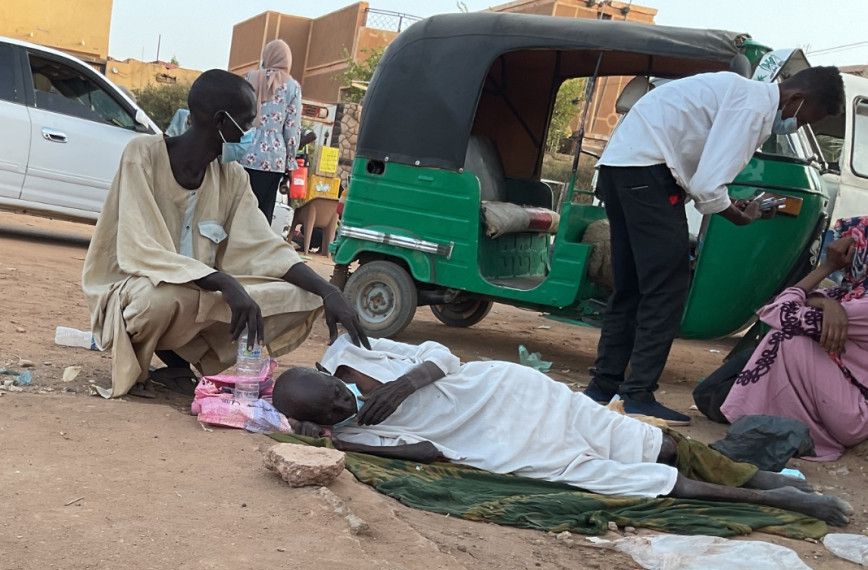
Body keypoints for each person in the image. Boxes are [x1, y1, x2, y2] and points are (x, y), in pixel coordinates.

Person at [272, 336, 852, 526]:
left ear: (327, 373)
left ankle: (761, 476)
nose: (343, 402)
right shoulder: (350, 436)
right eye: (332, 411)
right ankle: (774, 499)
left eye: (335, 392)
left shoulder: (351, 353)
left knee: (651, 442)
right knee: (620, 478)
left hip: (505, 391)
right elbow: (430, 452)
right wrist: (355, 433)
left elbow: (440, 352)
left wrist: (404, 385)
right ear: (318, 423)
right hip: (495, 444)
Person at [82, 69, 368, 399]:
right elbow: (141, 249)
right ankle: (141, 368)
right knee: (157, 300)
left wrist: (328, 291)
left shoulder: (232, 177)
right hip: (136, 287)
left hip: (200, 293)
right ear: (220, 121)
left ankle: (181, 363)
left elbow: (264, 246)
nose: (250, 134)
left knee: (303, 296)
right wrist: (224, 282)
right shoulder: (142, 154)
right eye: (245, 124)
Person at [586, 66, 845, 426]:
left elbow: (701, 179)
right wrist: (741, 217)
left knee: (629, 288)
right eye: (803, 120)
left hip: (621, 168)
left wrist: (728, 203)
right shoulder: (753, 109)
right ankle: (636, 396)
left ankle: (602, 387)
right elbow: (708, 186)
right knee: (667, 289)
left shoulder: (738, 93)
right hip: (648, 173)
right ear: (797, 99)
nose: (796, 126)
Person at [723, 218, 868, 461]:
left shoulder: (861, 306)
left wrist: (826, 267)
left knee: (788, 338)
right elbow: (797, 301)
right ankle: (762, 417)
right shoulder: (850, 294)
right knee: (791, 335)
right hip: (848, 403)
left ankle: (760, 418)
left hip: (855, 416)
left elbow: (777, 311)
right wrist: (824, 303)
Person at [235, 39, 301, 223]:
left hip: (244, 152)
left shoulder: (249, 78)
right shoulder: (292, 87)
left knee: (238, 209)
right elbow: (292, 130)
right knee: (262, 215)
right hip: (273, 159)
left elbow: (238, 114)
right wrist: (290, 161)